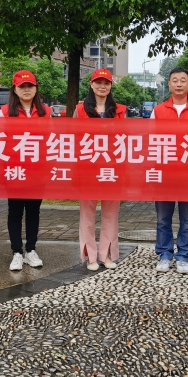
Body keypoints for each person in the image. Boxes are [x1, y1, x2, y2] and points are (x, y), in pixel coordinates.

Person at [150, 67, 188, 274]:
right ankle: (165, 254)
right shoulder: (158, 111)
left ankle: (183, 256)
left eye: (182, 80)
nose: (178, 84)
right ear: (169, 84)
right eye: (174, 80)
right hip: (164, 173)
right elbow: (150, 140)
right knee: (162, 219)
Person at [73, 68, 127, 271]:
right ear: (91, 85)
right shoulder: (80, 110)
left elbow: (125, 139)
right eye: (98, 83)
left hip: (112, 168)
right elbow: (73, 138)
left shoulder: (120, 110)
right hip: (87, 168)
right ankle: (91, 256)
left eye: (106, 83)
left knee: (111, 214)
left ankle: (107, 255)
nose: (102, 86)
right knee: (87, 214)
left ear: (111, 86)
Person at [0, 70, 50, 271]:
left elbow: (51, 139)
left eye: (30, 86)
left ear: (36, 88)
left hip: (38, 170)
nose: (27, 90)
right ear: (15, 89)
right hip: (14, 169)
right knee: (15, 211)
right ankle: (17, 252)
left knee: (33, 211)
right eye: (22, 86)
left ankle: (31, 249)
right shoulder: (5, 111)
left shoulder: (46, 111)